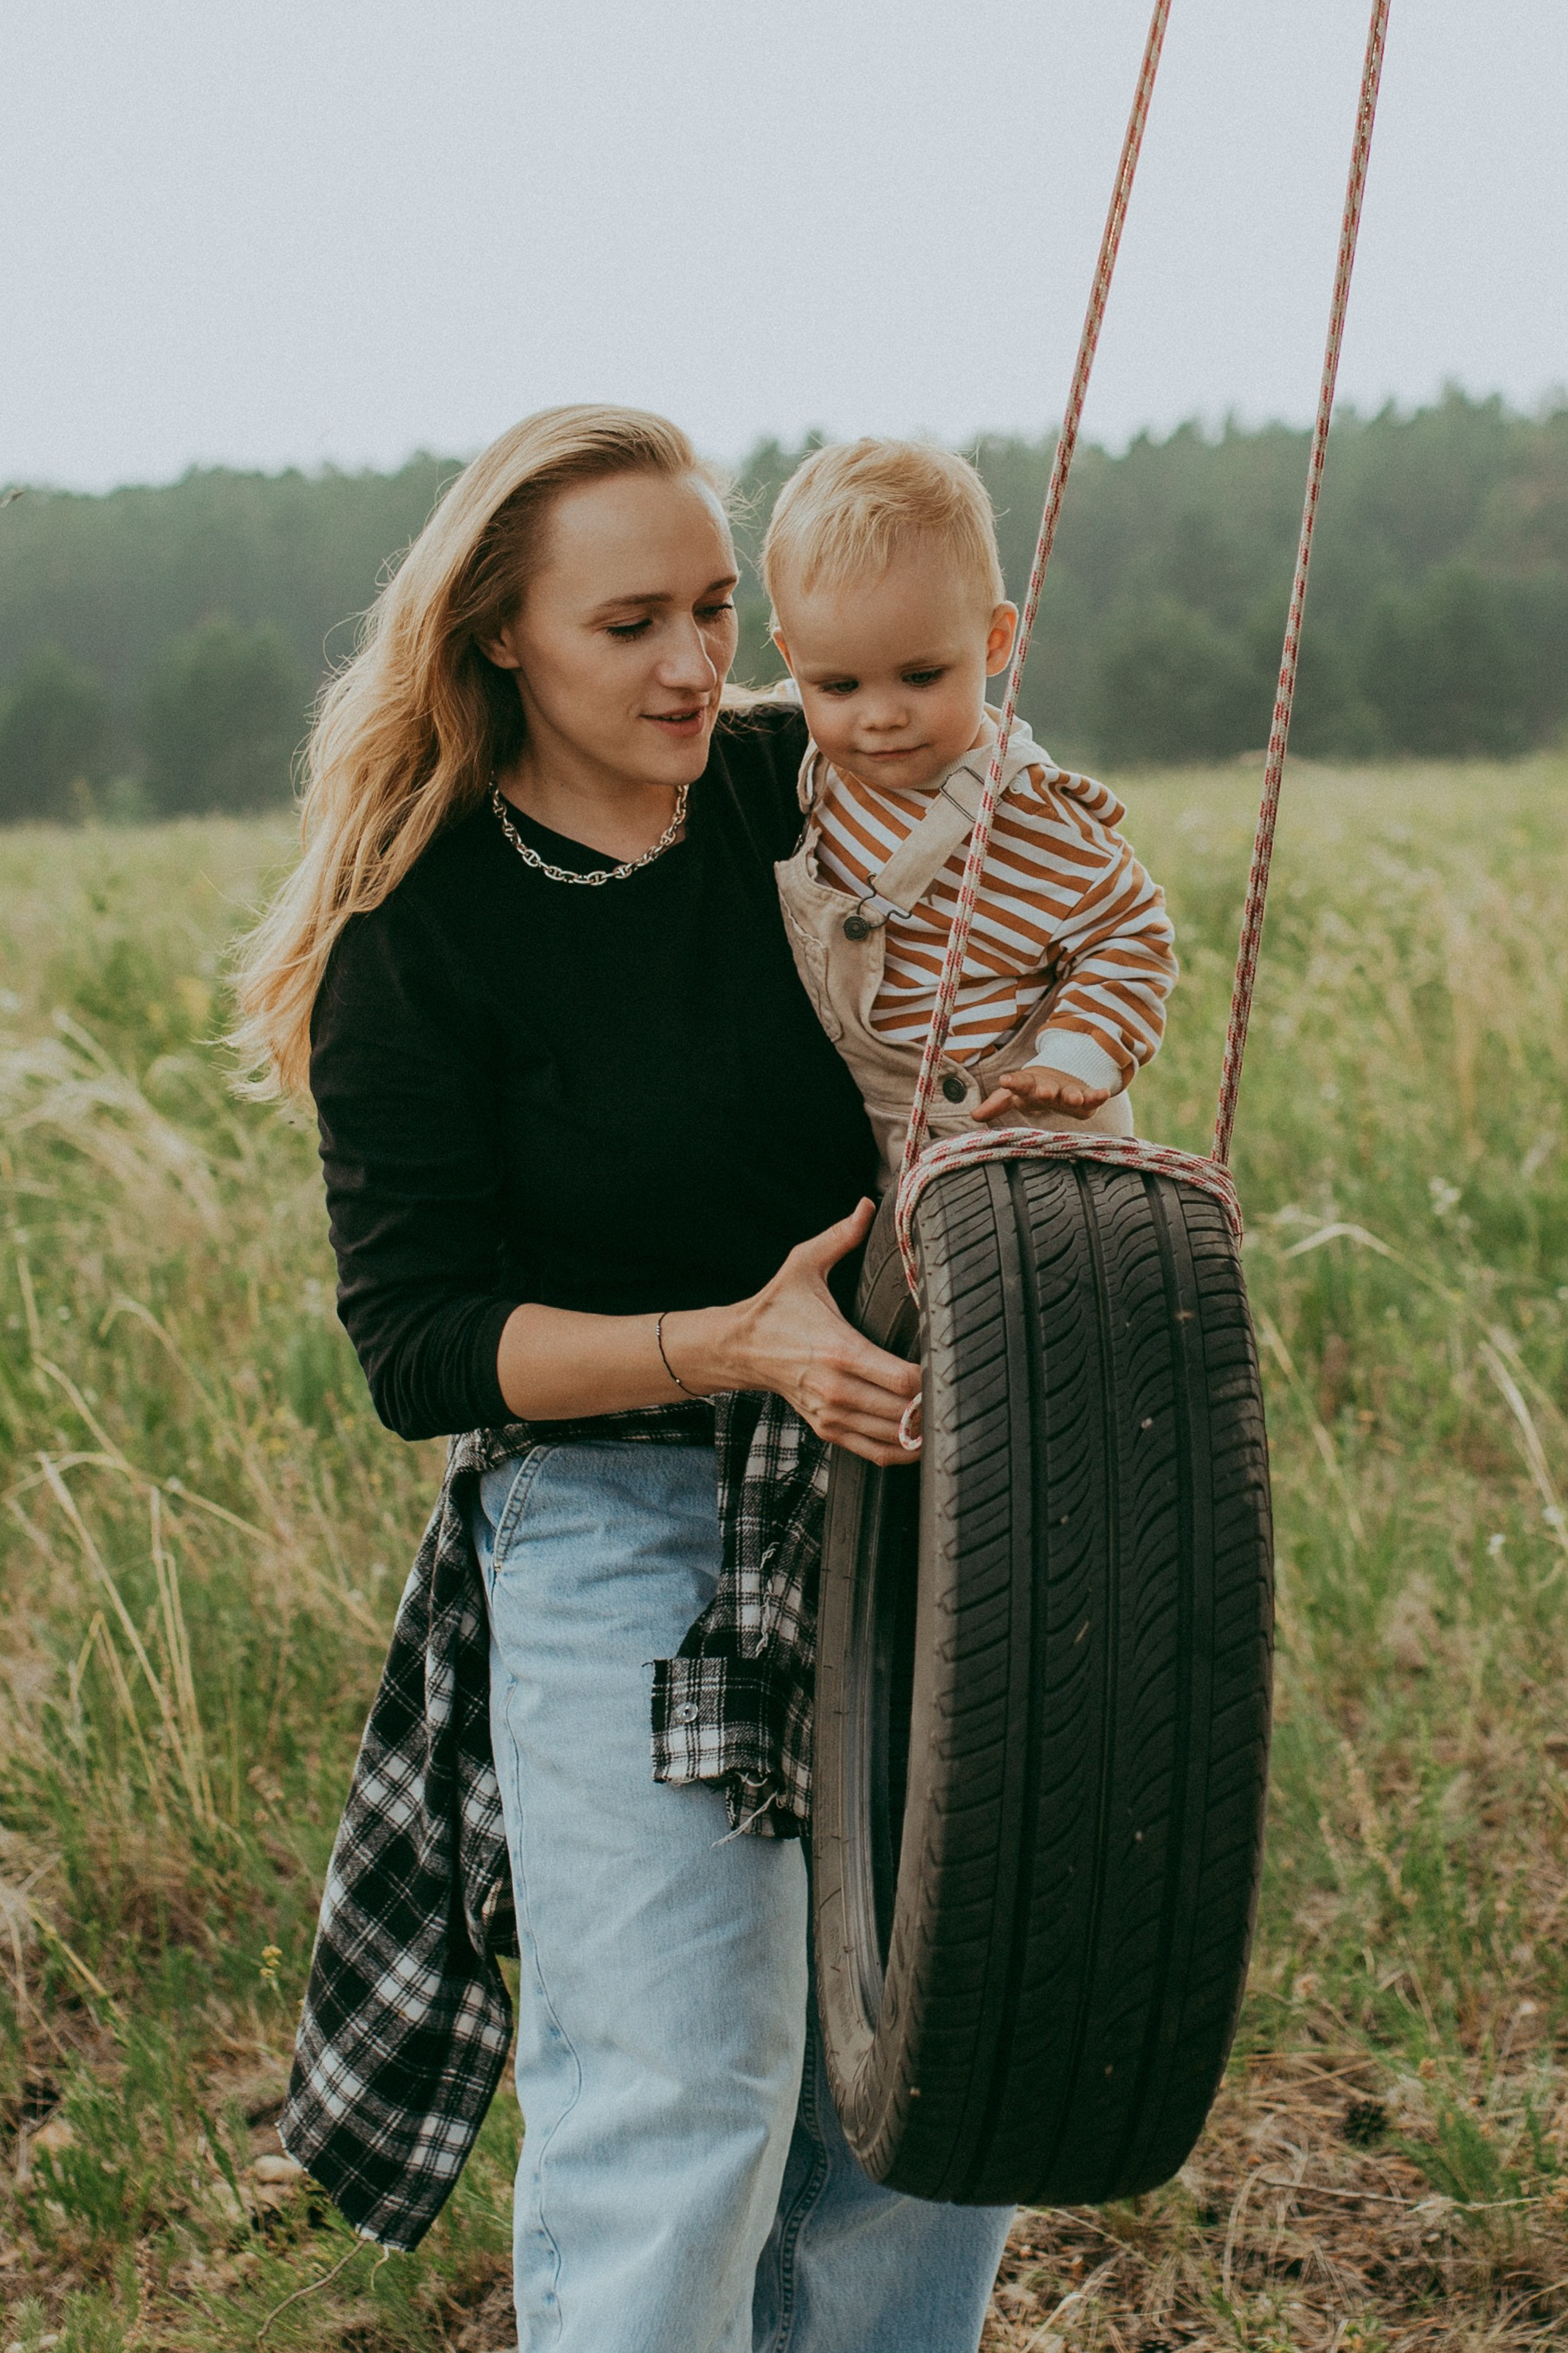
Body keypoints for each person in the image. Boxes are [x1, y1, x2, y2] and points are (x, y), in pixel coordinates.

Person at [232, 405, 1014, 2351]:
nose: (697, 666)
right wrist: (731, 1336)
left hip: (905, 1479)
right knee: (683, 2085)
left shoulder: (790, 786)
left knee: (929, 2073)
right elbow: (419, 1347)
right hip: (608, 1508)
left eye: (717, 610)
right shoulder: (413, 926)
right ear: (500, 632)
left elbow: (1019, 846)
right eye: (631, 623)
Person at [763, 438, 1177, 1184]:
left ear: (993, 641)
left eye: (920, 676)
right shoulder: (813, 774)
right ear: (793, 663)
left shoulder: (1027, 812)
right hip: (887, 1134)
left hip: (1023, 1132)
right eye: (839, 686)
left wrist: (1075, 1053)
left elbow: (1131, 934)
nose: (881, 716)